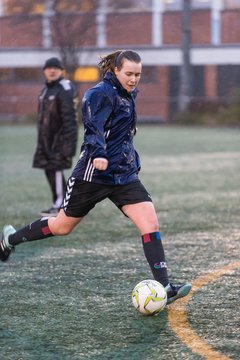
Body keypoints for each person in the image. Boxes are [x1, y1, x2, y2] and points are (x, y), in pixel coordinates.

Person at [0, 50, 191, 305]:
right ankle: (10, 239)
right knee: (62, 226)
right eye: (129, 74)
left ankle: (165, 286)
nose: (134, 79)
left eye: (138, 75)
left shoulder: (129, 93)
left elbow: (123, 133)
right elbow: (93, 128)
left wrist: (132, 160)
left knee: (150, 224)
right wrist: (99, 154)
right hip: (93, 175)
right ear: (115, 70)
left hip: (123, 175)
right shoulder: (98, 94)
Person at [33, 57, 79, 217]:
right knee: (50, 171)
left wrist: (69, 145)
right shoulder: (45, 89)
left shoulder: (65, 88)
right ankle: (65, 204)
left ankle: (60, 206)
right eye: (49, 68)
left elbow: (70, 119)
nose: (52, 70)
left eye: (55, 67)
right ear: (44, 71)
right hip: (46, 142)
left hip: (59, 142)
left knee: (57, 171)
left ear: (61, 71)